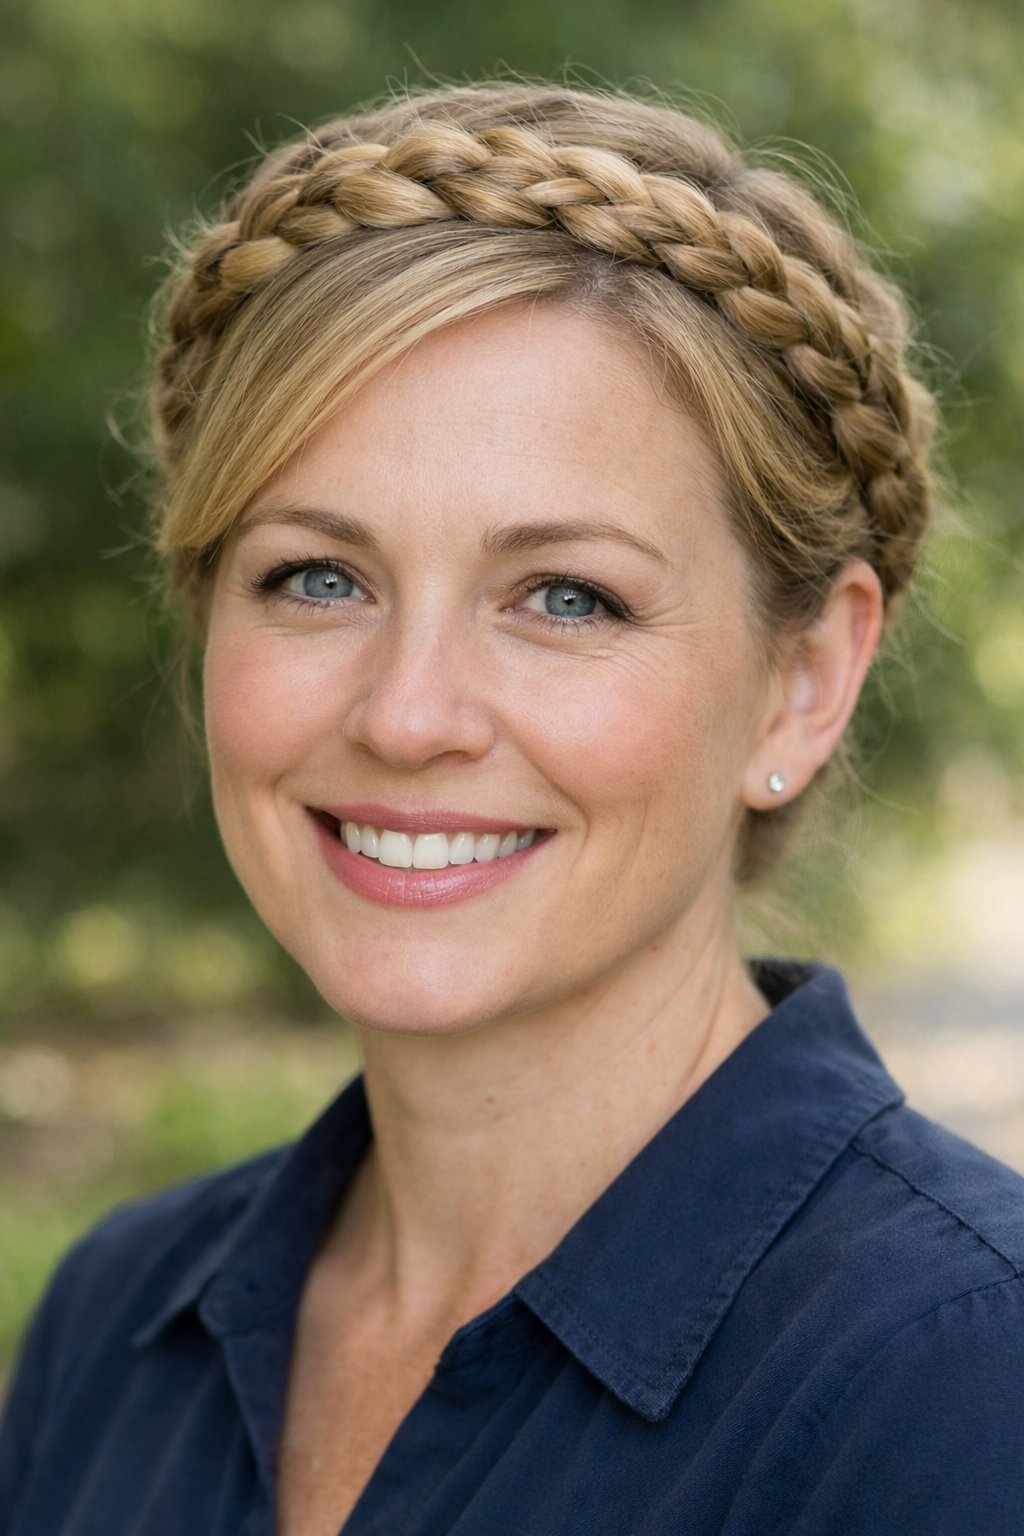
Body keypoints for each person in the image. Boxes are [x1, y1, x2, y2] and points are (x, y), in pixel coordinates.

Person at [1, 80, 1022, 1536]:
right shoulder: (115, 1327)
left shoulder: (964, 1389)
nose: (409, 715)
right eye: (317, 578)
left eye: (564, 597)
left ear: (800, 682)